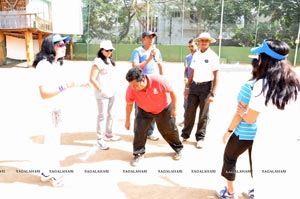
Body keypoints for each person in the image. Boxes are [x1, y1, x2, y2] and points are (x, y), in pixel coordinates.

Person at [237, 39, 299, 198]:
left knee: (266, 183)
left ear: (265, 59)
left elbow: (250, 119)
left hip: (268, 141)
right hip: (292, 140)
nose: (258, 59)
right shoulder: (295, 81)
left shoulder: (262, 84)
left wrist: (243, 111)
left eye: (259, 55)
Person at [33, 34, 85, 187]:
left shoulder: (56, 64)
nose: (64, 47)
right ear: (50, 46)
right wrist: (64, 86)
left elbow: (62, 83)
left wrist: (78, 83)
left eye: (64, 44)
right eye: (60, 44)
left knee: (51, 141)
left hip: (56, 109)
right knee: (54, 143)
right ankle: (55, 175)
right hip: (49, 110)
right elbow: (44, 93)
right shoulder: (44, 65)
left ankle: (45, 172)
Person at [216, 57, 259, 199]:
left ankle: (230, 193)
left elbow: (240, 114)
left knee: (229, 159)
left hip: (244, 133)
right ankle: (256, 191)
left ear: (254, 68)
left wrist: (228, 131)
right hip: (261, 133)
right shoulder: (271, 86)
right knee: (257, 162)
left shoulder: (249, 86)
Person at [124, 67, 183, 167]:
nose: (133, 87)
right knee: (139, 131)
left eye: (135, 85)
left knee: (169, 130)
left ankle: (178, 149)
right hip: (144, 110)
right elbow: (129, 104)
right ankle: (138, 154)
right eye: (131, 85)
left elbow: (172, 93)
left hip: (164, 108)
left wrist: (174, 109)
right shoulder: (131, 88)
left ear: (142, 80)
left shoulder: (159, 81)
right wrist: (127, 120)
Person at [181, 32, 220, 148]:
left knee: (203, 114)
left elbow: (217, 75)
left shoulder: (213, 56)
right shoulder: (196, 55)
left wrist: (213, 93)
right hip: (193, 86)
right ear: (199, 42)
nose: (203, 43)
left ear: (209, 42)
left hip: (206, 87)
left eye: (206, 41)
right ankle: (185, 135)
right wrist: (187, 87)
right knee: (189, 112)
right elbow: (191, 71)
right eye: (202, 41)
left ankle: (200, 138)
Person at [130, 31, 163, 141]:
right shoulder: (137, 51)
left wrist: (162, 78)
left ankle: (150, 132)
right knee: (139, 110)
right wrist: (148, 58)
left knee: (153, 108)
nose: (151, 39)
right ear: (143, 39)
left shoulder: (157, 51)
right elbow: (135, 67)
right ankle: (138, 132)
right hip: (141, 85)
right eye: (148, 37)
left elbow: (159, 65)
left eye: (152, 37)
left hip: (153, 84)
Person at [89, 40, 120, 150]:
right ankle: (99, 140)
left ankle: (109, 133)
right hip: (102, 94)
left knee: (111, 114)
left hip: (112, 92)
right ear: (101, 50)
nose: (109, 52)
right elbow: (92, 79)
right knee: (102, 116)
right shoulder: (98, 61)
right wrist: (101, 89)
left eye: (111, 50)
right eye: (107, 50)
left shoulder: (109, 60)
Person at [178, 38, 198, 127]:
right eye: (189, 46)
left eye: (192, 46)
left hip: (200, 83)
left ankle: (205, 120)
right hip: (189, 83)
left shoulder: (201, 56)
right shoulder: (187, 58)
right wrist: (185, 78)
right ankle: (186, 119)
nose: (190, 48)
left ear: (197, 45)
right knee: (186, 103)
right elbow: (186, 70)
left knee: (202, 104)